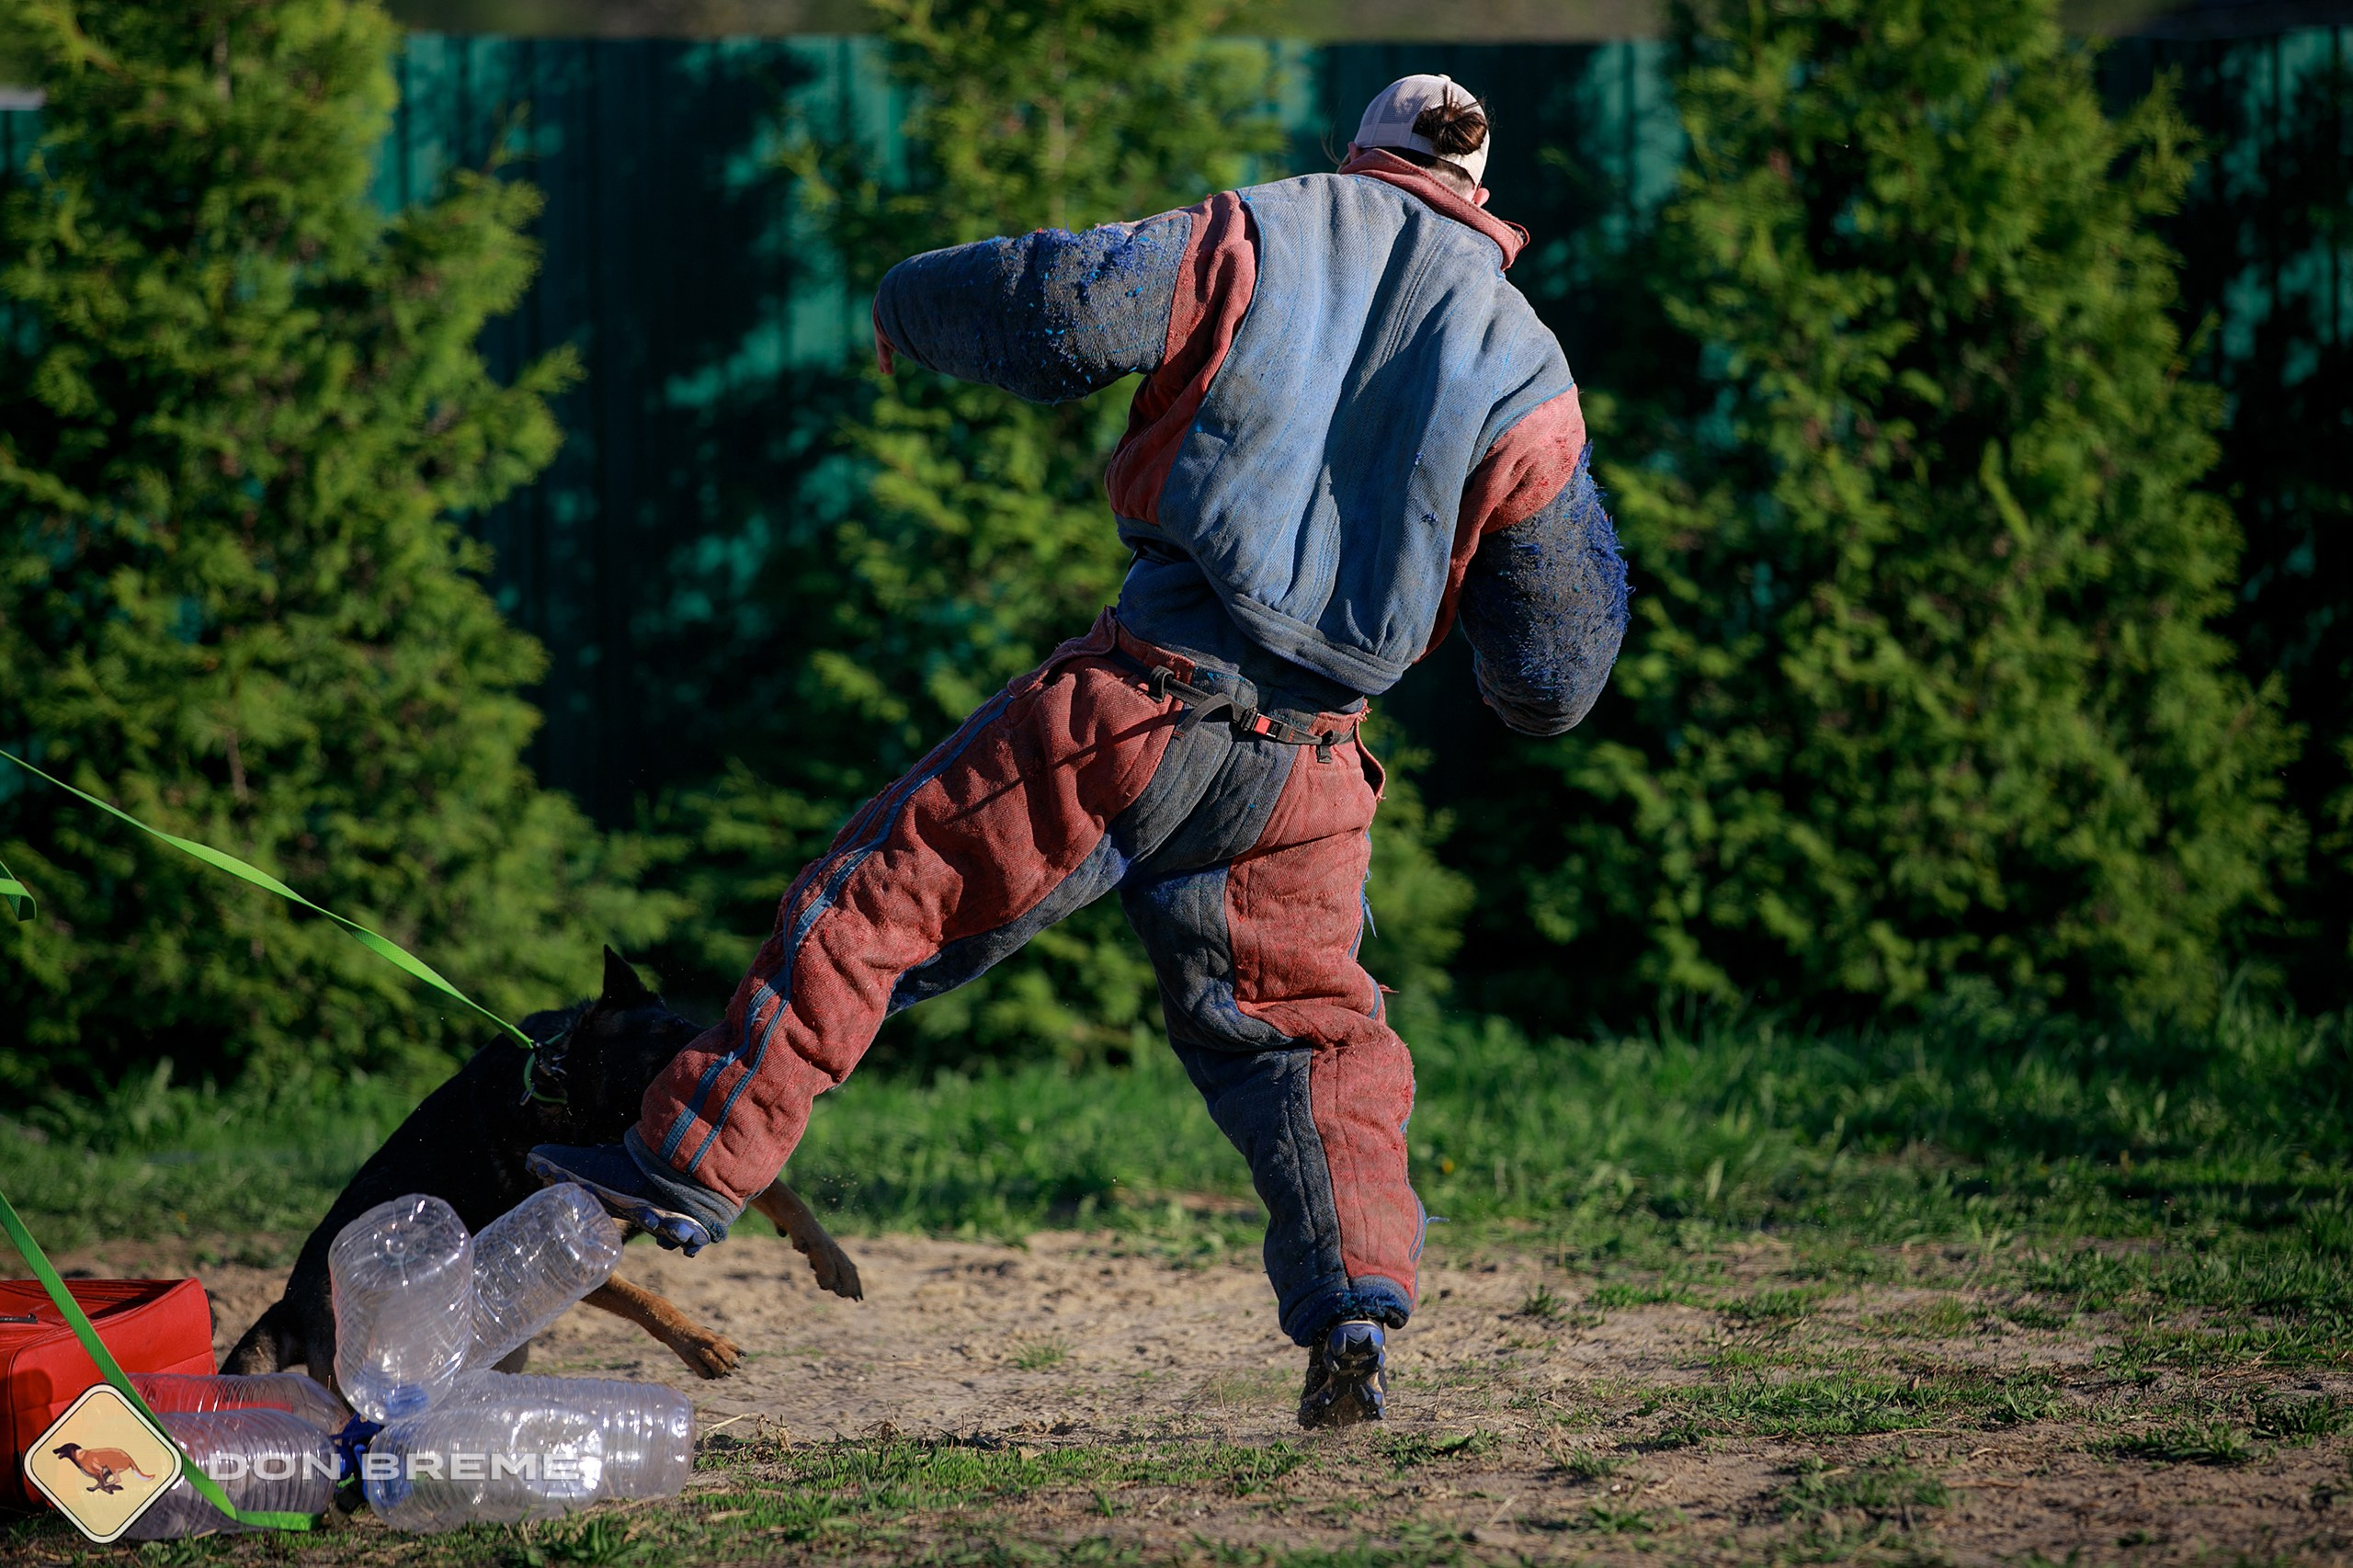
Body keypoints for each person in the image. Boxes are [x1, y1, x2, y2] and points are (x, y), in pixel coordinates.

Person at [531, 74, 1628, 1429]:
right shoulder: (1528, 364)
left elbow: (1059, 306)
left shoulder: (1263, 231)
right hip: (1314, 770)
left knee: (883, 888)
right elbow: (1558, 661)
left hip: (1139, 704)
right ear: (1477, 191)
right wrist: (1510, 690)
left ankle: (684, 1164)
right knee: (1315, 1039)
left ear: (1358, 153)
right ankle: (1354, 1311)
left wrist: (908, 304)